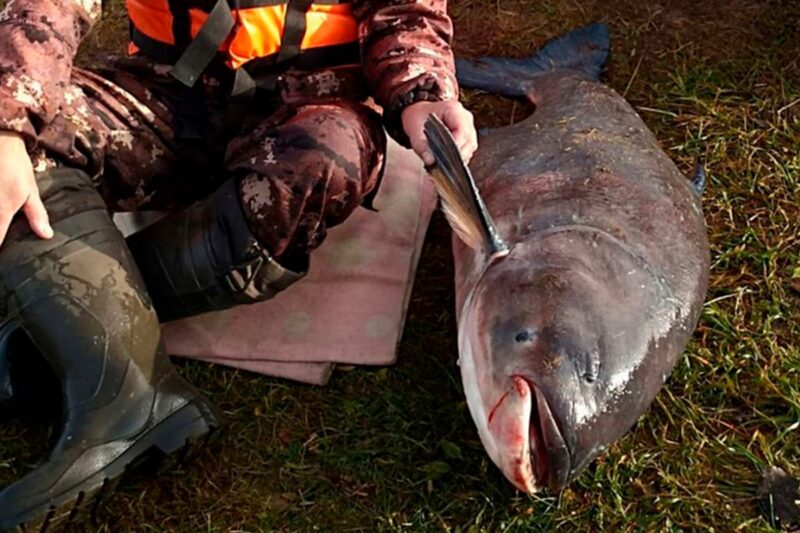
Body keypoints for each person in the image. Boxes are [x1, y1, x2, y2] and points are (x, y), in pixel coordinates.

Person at [0, 0, 478, 528]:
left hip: (308, 111)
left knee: (330, 157)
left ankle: (57, 342)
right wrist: (9, 123)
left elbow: (406, 11)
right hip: (167, 92)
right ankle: (128, 397)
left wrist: (423, 95)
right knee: (16, 145)